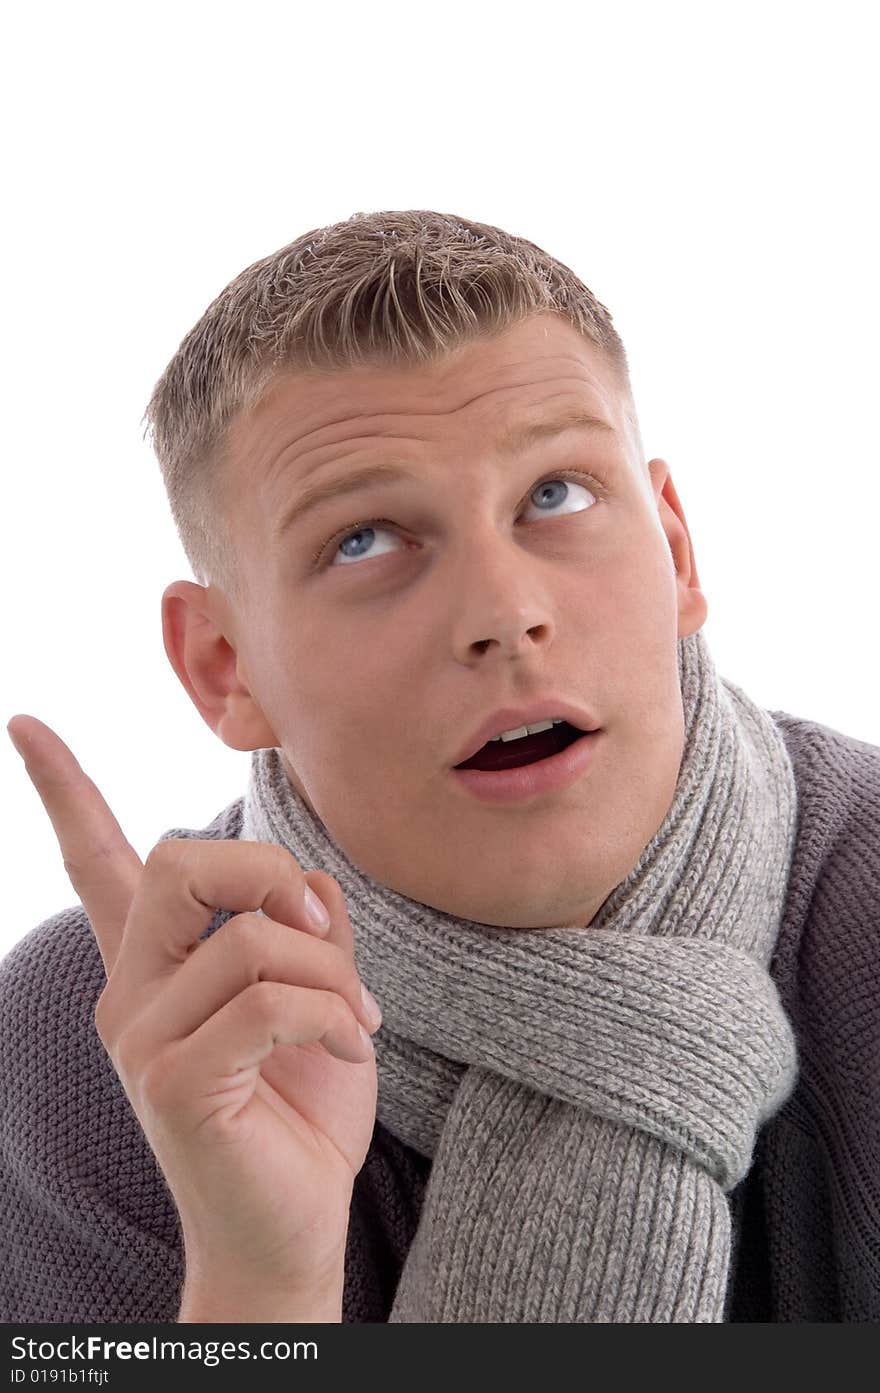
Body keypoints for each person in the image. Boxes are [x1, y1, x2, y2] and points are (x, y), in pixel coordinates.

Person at [2, 210, 877, 1325]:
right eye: (365, 539)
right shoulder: (100, 1037)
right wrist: (260, 1286)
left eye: (554, 494)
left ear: (674, 549)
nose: (505, 614)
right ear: (225, 667)